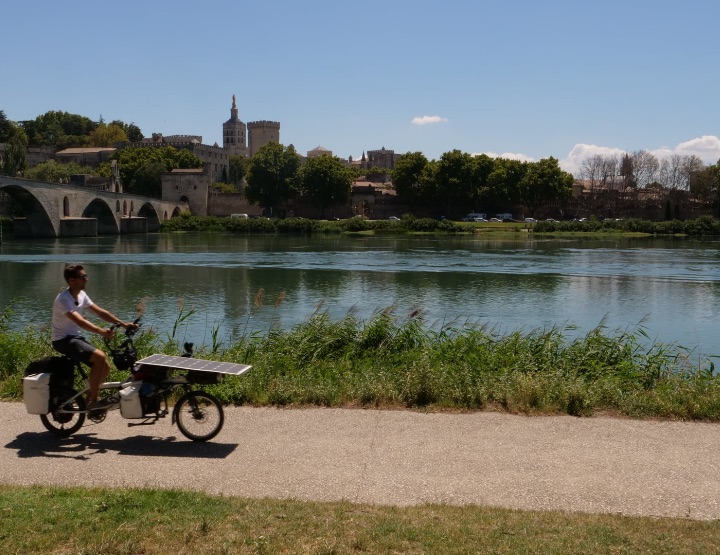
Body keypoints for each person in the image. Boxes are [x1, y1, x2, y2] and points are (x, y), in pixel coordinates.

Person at [51, 264, 137, 411]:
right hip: (62, 340)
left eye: (85, 276)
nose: (87, 279)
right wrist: (101, 332)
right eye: (82, 277)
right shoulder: (63, 300)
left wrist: (123, 324)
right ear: (72, 281)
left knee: (105, 366)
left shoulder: (81, 295)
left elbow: (100, 312)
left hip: (74, 338)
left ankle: (88, 399)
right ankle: (94, 402)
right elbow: (80, 321)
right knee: (99, 356)